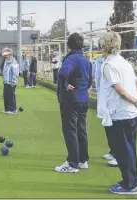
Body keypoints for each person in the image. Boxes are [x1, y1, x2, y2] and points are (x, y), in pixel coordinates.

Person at [97, 31, 137, 195]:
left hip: (120, 113)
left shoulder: (109, 65)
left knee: (122, 150)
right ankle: (133, 179)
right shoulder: (124, 62)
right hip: (130, 113)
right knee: (128, 148)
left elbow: (120, 90)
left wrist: (136, 101)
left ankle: (130, 185)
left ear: (104, 45)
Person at [55, 32, 92, 173]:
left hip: (71, 100)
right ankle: (83, 160)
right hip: (84, 99)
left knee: (70, 130)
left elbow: (63, 73)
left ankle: (72, 163)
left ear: (69, 46)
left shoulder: (70, 59)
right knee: (81, 129)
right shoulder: (86, 60)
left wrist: (65, 85)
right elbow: (89, 82)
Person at [93, 46, 118, 167]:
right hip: (102, 95)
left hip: (111, 97)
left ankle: (118, 154)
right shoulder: (99, 61)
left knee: (114, 126)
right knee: (107, 124)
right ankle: (113, 151)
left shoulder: (115, 62)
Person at [1, 48, 19, 114]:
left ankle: (13, 110)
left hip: (11, 83)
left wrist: (13, 82)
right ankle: (7, 109)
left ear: (10, 54)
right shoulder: (6, 61)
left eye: (6, 55)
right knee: (6, 96)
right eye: (5, 55)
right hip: (6, 82)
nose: (5, 56)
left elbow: (15, 74)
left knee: (11, 96)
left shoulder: (14, 62)